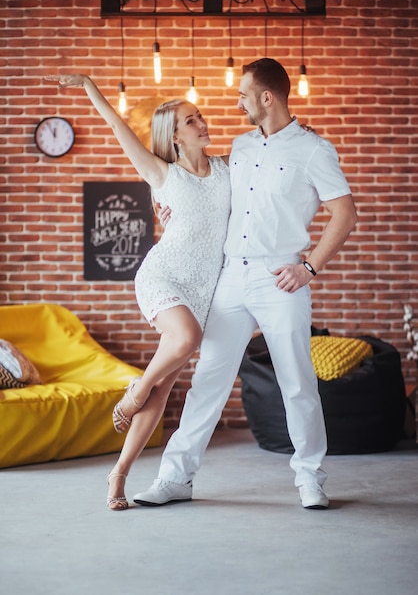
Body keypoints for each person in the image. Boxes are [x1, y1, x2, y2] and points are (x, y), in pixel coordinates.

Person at [133, 58, 358, 510]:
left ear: (266, 97)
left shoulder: (314, 150)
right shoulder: (238, 147)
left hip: (282, 277)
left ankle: (310, 478)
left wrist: (309, 266)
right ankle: (176, 478)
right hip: (230, 276)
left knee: (296, 382)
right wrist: (168, 206)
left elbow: (345, 214)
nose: (237, 104)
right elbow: (193, 185)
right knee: (208, 382)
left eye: (243, 95)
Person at [46, 74, 231, 510]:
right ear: (174, 136)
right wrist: (90, 84)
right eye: (191, 120)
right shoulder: (161, 172)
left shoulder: (228, 166)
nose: (202, 123)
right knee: (184, 341)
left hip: (204, 288)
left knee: (163, 388)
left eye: (199, 115)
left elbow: (265, 152)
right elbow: (116, 126)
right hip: (164, 276)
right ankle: (133, 393)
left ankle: (118, 475)